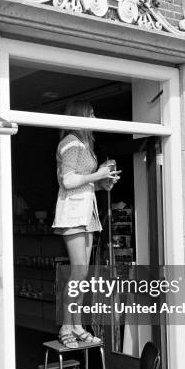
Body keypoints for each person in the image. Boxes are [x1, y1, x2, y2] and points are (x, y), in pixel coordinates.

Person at [52, 101, 120, 348]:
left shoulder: (85, 144)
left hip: (86, 213)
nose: (94, 116)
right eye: (91, 113)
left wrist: (103, 183)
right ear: (80, 116)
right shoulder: (70, 142)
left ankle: (77, 325)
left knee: (82, 274)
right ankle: (66, 327)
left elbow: (83, 182)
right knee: (78, 273)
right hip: (72, 214)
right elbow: (68, 181)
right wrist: (98, 176)